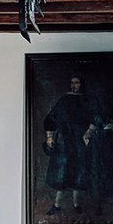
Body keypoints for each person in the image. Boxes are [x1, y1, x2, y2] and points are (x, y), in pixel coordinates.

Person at [42, 75, 103, 214]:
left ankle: (76, 204)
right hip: (64, 138)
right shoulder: (64, 99)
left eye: (77, 82)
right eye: (72, 82)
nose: (74, 85)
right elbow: (52, 117)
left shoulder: (88, 99)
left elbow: (97, 116)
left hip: (80, 139)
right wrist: (50, 136)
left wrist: (89, 131)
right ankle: (57, 205)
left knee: (79, 170)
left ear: (82, 84)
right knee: (61, 169)